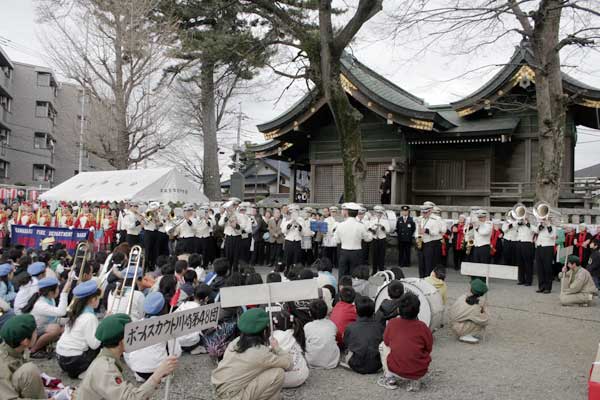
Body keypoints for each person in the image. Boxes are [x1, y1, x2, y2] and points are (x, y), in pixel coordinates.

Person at [77, 313, 178, 399]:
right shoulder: (105, 368)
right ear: (122, 341)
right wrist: (158, 373)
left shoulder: (106, 357)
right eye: (132, 334)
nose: (135, 337)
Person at [211, 308, 292, 400]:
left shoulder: (235, 342)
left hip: (219, 391)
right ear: (265, 331)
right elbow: (289, 364)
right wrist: (277, 348)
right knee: (278, 373)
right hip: (233, 396)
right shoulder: (261, 353)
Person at [0, 314, 70, 400]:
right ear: (25, 341)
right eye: (35, 331)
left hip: (13, 387)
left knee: (30, 371)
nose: (37, 333)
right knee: (29, 370)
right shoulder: (2, 365)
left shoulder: (18, 348)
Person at [378, 292, 433, 392]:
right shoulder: (423, 327)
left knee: (382, 346)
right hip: (419, 371)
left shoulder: (392, 323)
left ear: (398, 309)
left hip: (395, 370)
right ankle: (414, 381)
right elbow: (428, 348)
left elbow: (386, 341)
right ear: (418, 310)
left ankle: (390, 378)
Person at [125, 292, 182, 382]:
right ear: (164, 308)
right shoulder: (167, 326)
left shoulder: (135, 325)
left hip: (139, 371)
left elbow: (127, 352)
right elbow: (176, 351)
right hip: (160, 372)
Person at [56, 280, 102, 379]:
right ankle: (85, 371)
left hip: (61, 359)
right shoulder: (90, 317)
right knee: (102, 344)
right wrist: (105, 327)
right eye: (98, 298)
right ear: (93, 299)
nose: (99, 300)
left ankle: (76, 371)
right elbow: (94, 345)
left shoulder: (75, 313)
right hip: (75, 361)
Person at [23, 276, 71, 357]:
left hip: (44, 325)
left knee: (67, 327)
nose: (58, 290)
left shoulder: (49, 299)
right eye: (57, 288)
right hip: (34, 330)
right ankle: (33, 350)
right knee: (55, 329)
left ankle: (44, 345)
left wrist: (70, 320)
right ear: (50, 292)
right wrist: (64, 293)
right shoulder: (40, 304)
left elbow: (54, 318)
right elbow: (61, 312)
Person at [343, 296, 384, 374]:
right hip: (376, 365)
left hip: (355, 364)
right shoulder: (380, 327)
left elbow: (347, 344)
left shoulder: (350, 327)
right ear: (373, 311)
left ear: (355, 310)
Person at [271, 312, 309, 388]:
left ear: (274, 325)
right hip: (301, 376)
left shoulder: (272, 338)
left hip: (280, 381)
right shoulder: (296, 334)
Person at [335, 203, 372, 277]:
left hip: (344, 251)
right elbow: (368, 239)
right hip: (356, 252)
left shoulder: (340, 225)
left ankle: (341, 288)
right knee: (355, 274)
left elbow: (337, 240)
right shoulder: (361, 226)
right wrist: (370, 232)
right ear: (357, 213)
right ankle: (353, 288)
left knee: (342, 273)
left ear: (347, 212)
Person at [448, 279, 489, 343]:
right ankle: (465, 335)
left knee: (473, 317)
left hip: (454, 324)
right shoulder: (474, 307)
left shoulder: (463, 296)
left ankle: (464, 333)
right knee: (479, 321)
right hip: (459, 328)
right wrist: (484, 308)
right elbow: (486, 320)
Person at [303, 299, 340, 369]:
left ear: (310, 313)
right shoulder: (331, 324)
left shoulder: (307, 326)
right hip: (332, 361)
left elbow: (303, 341)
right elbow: (336, 335)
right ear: (326, 312)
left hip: (312, 361)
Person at [178, 284, 211, 355]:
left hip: (177, 342)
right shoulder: (201, 310)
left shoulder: (184, 304)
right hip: (191, 343)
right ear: (206, 298)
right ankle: (195, 348)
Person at [415, 202, 442, 278]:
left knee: (429, 263)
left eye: (426, 212)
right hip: (421, 242)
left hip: (430, 244)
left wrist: (426, 231)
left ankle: (428, 279)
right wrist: (417, 237)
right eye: (422, 212)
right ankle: (421, 278)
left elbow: (436, 232)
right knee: (421, 263)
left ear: (430, 211)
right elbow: (417, 230)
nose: (424, 214)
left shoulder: (436, 219)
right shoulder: (420, 218)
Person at [535, 216, 556, 294]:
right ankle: (541, 286)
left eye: (545, 219)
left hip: (548, 248)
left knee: (547, 268)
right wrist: (542, 225)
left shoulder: (553, 227)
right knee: (539, 268)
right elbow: (537, 231)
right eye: (543, 219)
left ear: (549, 220)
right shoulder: (540, 226)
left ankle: (548, 287)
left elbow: (552, 236)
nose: (544, 220)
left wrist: (548, 225)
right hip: (539, 247)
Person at [281, 204, 305, 269]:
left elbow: (303, 232)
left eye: (296, 210)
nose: (294, 212)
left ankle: (296, 271)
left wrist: (299, 226)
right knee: (288, 258)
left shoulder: (301, 219)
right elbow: (283, 231)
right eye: (292, 210)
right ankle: (287, 270)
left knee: (297, 258)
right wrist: (290, 223)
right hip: (289, 241)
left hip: (297, 241)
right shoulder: (286, 218)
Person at [369, 205, 390, 274]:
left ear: (382, 213)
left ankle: (381, 270)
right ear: (375, 213)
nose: (378, 214)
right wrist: (372, 230)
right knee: (374, 255)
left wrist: (383, 227)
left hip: (382, 239)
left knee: (382, 255)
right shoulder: (372, 220)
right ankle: (374, 270)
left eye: (380, 213)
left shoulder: (385, 220)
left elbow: (388, 230)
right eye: (377, 213)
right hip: (374, 238)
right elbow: (368, 229)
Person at [516, 215, 536, 286]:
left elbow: (536, 230)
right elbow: (514, 226)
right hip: (519, 243)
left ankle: (528, 280)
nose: (523, 219)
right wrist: (520, 222)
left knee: (528, 263)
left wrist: (527, 223)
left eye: (525, 218)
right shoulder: (519, 224)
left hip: (527, 244)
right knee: (520, 262)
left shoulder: (531, 225)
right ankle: (521, 279)